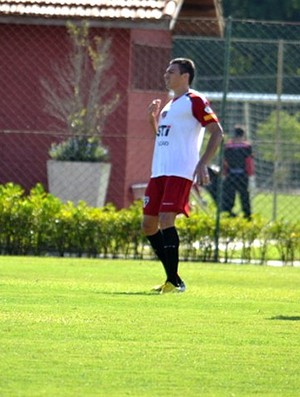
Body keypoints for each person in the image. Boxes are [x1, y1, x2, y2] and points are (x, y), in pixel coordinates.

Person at [142, 58, 224, 294]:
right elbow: (162, 138)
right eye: (166, 71)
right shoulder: (169, 105)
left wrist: (202, 164)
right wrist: (152, 120)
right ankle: (174, 279)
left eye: (171, 72)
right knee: (148, 225)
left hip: (179, 170)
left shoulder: (194, 100)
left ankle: (173, 282)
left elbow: (217, 132)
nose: (166, 75)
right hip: (159, 171)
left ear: (185, 76)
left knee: (167, 220)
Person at [222, 126, 255, 219]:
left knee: (229, 194)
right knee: (244, 194)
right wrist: (250, 172)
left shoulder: (228, 146)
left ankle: (228, 212)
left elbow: (224, 161)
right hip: (242, 174)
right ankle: (247, 214)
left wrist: (225, 172)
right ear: (243, 135)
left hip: (230, 174)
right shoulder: (247, 147)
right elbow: (249, 161)